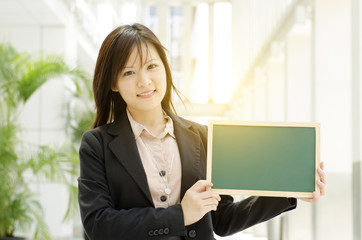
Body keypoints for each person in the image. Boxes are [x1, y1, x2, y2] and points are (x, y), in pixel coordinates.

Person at [77, 23, 326, 240]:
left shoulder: (201, 136)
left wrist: (289, 192)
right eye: (129, 72)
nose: (144, 81)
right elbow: (98, 225)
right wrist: (180, 215)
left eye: (152, 66)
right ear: (113, 84)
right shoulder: (97, 144)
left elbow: (223, 219)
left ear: (165, 69)